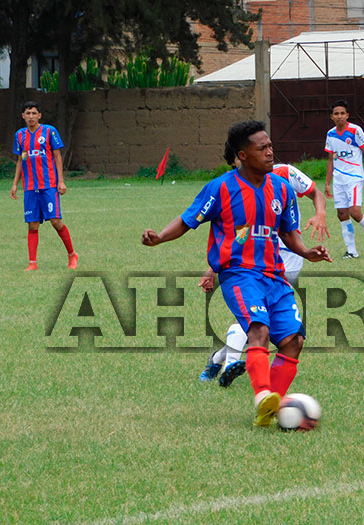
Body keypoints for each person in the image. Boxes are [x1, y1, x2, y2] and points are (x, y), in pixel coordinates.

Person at [142, 120, 332, 427]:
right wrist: (160, 237)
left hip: (275, 275)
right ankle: (263, 396)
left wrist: (307, 252)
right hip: (239, 274)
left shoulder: (282, 188)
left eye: (270, 146)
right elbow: (188, 219)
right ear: (242, 155)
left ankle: (271, 409)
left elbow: (288, 233)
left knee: (294, 340)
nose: (270, 152)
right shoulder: (221, 188)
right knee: (259, 329)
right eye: (262, 148)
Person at [198, 146, 330, 387]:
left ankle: (219, 359)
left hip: (288, 260)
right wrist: (213, 269)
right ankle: (228, 364)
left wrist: (320, 213)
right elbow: (237, 236)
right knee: (256, 318)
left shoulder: (285, 173)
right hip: (250, 263)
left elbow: (316, 193)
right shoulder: (235, 187)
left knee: (260, 320)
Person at [11, 101, 78, 271]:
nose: (31, 116)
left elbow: (57, 156)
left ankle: (72, 255)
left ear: (39, 115)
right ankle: (32, 263)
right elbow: (21, 160)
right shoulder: (20, 135)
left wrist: (61, 181)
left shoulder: (49, 131)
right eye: (28, 113)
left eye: (34, 113)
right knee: (32, 224)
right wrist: (15, 184)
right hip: (30, 187)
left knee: (55, 221)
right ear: (23, 116)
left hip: (48, 185)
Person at [324, 99, 364, 259]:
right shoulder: (330, 134)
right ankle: (352, 251)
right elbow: (331, 159)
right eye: (336, 113)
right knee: (342, 214)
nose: (339, 116)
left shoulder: (355, 130)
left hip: (355, 177)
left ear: (347, 115)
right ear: (331, 116)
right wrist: (327, 183)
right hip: (338, 180)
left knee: (355, 212)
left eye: (342, 113)